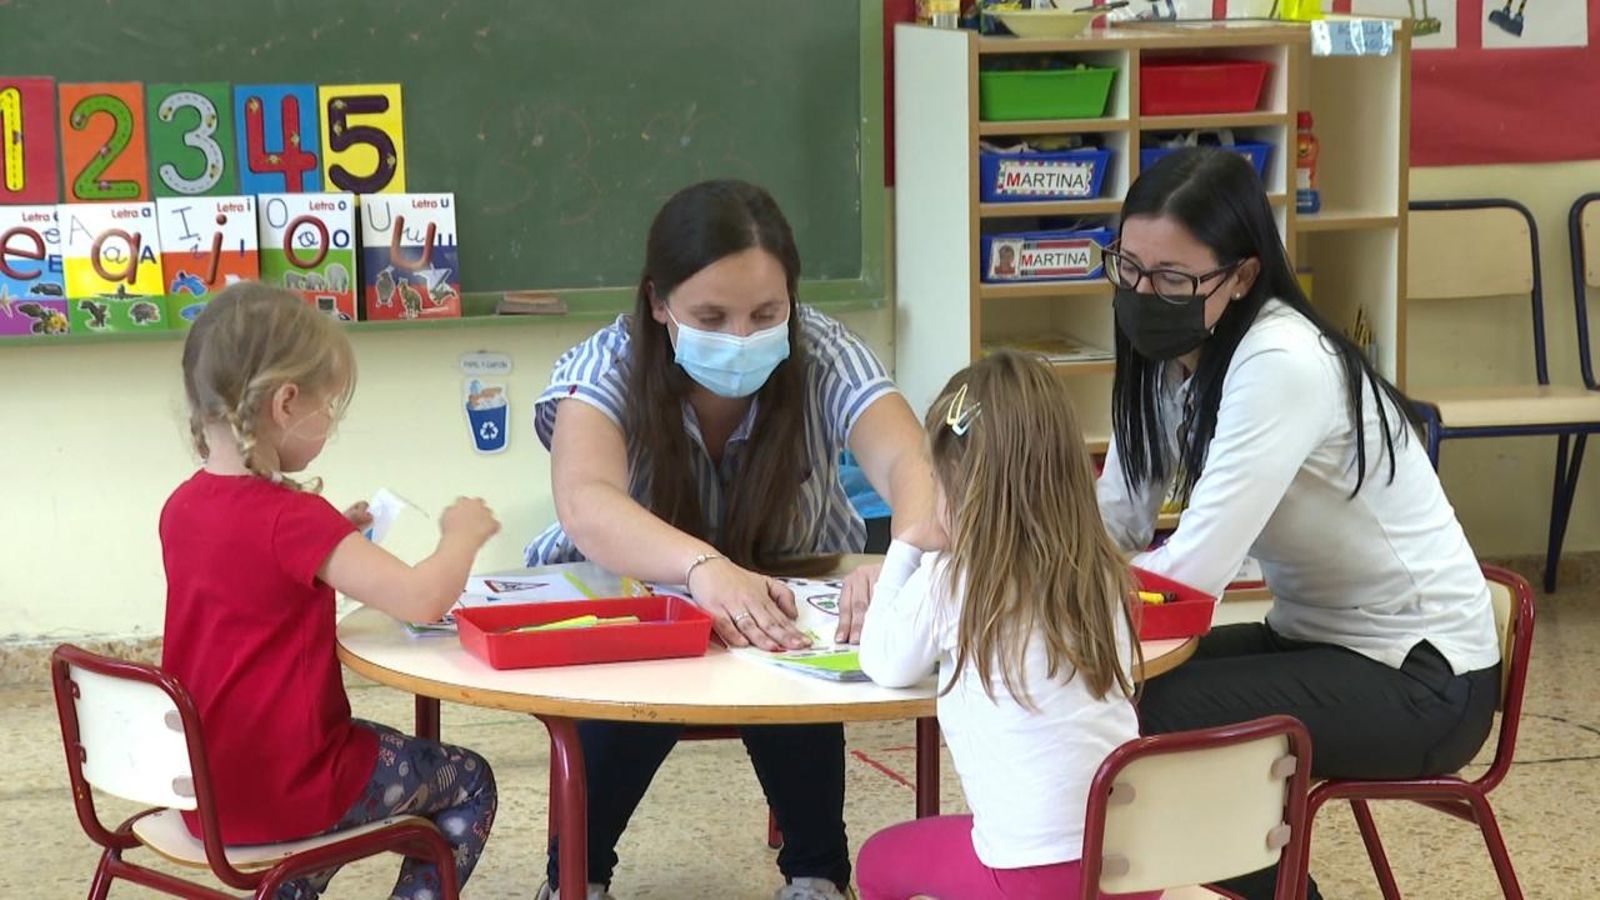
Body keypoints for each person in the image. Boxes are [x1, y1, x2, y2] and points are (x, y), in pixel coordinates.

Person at [1096, 147, 1501, 899]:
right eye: (1128, 267)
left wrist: (1039, 613)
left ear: (1243, 276)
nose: (1144, 293)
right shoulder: (1171, 354)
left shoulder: (1279, 360)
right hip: (1320, 642)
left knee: (1138, 712)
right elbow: (1114, 519)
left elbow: (1185, 579)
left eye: (1174, 280)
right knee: (1104, 692)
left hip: (1423, 680)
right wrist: (993, 570)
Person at [525, 180, 936, 900]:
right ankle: (576, 879)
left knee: (782, 647)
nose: (743, 338)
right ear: (659, 303)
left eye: (767, 314)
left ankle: (814, 877)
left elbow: (912, 464)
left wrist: (900, 564)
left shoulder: (828, 353)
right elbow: (586, 501)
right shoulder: (607, 363)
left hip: (783, 599)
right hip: (637, 604)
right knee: (654, 669)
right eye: (712, 316)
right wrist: (703, 570)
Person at [160, 282, 501, 900]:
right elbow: (423, 599)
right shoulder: (294, 519)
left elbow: (251, 582)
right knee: (469, 781)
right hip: (291, 789)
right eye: (330, 408)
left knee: (368, 760)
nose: (330, 424)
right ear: (286, 403)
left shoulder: (182, 507)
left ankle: (290, 887)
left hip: (205, 790)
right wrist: (462, 534)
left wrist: (331, 542)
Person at [854, 351, 1158, 900]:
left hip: (1030, 880)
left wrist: (904, 550)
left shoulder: (954, 577)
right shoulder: (1103, 574)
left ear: (956, 488)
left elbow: (884, 663)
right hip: (1134, 870)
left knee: (877, 861)